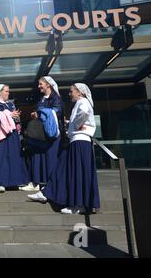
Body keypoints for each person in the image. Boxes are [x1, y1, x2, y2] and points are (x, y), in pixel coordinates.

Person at [28, 83, 100, 215]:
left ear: (80, 92)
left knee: (76, 172)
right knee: (63, 168)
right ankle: (47, 192)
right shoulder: (81, 102)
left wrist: (77, 124)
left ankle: (78, 205)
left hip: (79, 142)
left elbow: (84, 112)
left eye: (71, 91)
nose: (70, 93)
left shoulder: (82, 101)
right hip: (78, 142)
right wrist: (71, 124)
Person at [21, 76, 64, 191]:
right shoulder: (42, 99)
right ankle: (36, 183)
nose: (39, 86)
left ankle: (52, 185)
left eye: (41, 84)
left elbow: (57, 112)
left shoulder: (56, 98)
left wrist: (40, 113)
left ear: (48, 85)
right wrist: (37, 115)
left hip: (52, 133)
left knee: (51, 158)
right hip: (41, 133)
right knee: (37, 156)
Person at [0, 84, 29, 193]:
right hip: (0, 134)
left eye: (8, 91)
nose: (8, 93)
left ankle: (12, 182)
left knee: (12, 156)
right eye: (6, 91)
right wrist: (9, 114)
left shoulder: (10, 104)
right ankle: (0, 182)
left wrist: (16, 117)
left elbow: (16, 119)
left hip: (11, 134)